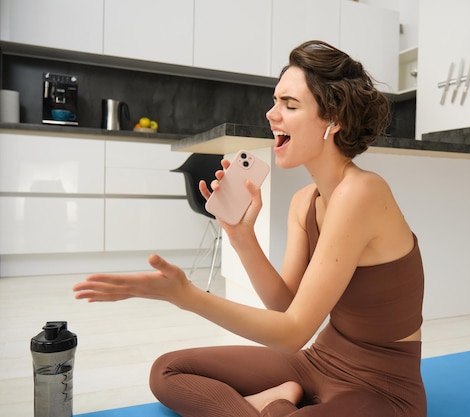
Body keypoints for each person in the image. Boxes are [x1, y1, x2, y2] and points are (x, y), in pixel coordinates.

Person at [73, 40, 426, 417]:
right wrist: (241, 236)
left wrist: (187, 296)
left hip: (382, 388)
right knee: (168, 370)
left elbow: (292, 332)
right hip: (319, 361)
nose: (272, 114)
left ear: (334, 120)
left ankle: (274, 403)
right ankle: (280, 401)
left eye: (290, 105)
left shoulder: (362, 192)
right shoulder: (305, 201)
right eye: (275, 102)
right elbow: (287, 308)